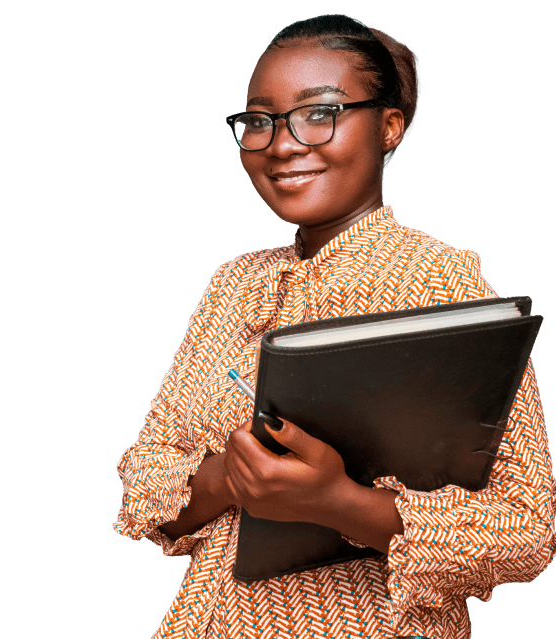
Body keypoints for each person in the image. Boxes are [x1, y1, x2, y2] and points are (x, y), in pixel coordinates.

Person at [113, 15, 555, 638]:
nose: (282, 144)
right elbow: (145, 479)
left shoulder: (440, 284)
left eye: (319, 113)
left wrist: (337, 502)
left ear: (390, 126)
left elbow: (524, 531)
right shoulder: (234, 285)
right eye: (259, 121)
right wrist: (226, 478)